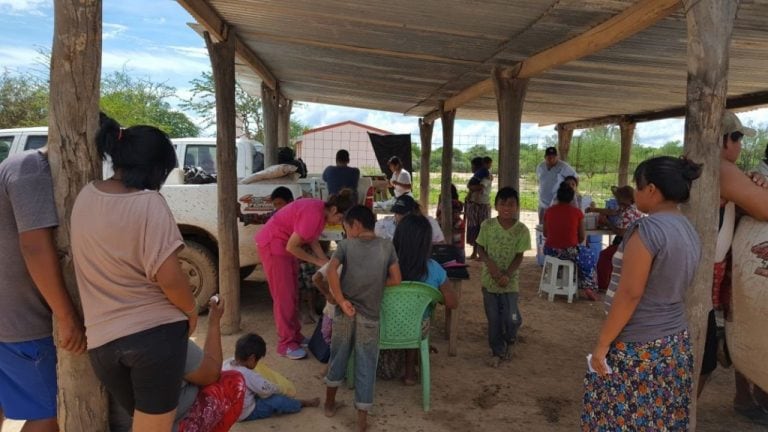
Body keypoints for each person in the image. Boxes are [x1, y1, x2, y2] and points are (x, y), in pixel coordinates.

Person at [71, 114, 198, 431]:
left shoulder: (85, 196)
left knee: (139, 421)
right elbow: (169, 277)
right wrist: (190, 310)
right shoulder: (149, 203)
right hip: (155, 336)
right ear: (156, 169)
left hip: (102, 343)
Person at [582, 156, 703, 431]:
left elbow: (630, 294)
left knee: (618, 418)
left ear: (651, 189)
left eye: (638, 187)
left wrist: (602, 344)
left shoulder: (648, 229)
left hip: (638, 346)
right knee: (661, 419)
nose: (635, 193)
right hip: (675, 343)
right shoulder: (688, 229)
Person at [0, 147, 87, 432]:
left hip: (9, 316)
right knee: (53, 412)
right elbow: (34, 246)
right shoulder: (32, 169)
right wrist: (66, 316)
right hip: (22, 321)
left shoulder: (15, 165)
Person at [698, 111, 768, 424]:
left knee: (704, 357)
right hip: (694, 276)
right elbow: (765, 210)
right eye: (738, 139)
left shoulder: (711, 168)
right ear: (727, 140)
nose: (739, 148)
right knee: (698, 359)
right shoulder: (722, 169)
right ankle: (673, 418)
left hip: (696, 272)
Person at [110, 297, 244, 432]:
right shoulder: (162, 333)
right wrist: (214, 322)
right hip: (167, 424)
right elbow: (211, 373)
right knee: (234, 381)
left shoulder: (111, 331)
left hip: (130, 425)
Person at [324, 205, 402, 432]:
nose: (346, 233)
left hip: (344, 312)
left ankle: (329, 404)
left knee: (338, 355)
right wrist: (377, 285)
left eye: (346, 228)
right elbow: (396, 279)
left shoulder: (346, 246)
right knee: (366, 362)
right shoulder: (387, 246)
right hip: (370, 315)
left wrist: (341, 301)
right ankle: (361, 421)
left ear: (356, 225)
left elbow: (330, 271)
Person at [255, 189, 356, 360]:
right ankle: (286, 344)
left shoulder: (320, 212)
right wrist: (317, 262)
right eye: (339, 218)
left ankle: (295, 336)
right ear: (333, 210)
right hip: (274, 247)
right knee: (284, 297)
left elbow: (312, 238)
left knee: (293, 293)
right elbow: (292, 246)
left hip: (283, 249)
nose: (338, 222)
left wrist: (324, 260)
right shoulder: (314, 215)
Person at [377, 214, 458, 384]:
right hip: (415, 329)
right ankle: (410, 373)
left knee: (398, 318)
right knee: (417, 319)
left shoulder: (383, 264)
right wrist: (436, 297)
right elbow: (452, 303)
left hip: (383, 325)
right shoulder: (435, 269)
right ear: (427, 242)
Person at [476, 187, 531, 367]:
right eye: (502, 204)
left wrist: (507, 274)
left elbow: (519, 255)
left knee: (512, 317)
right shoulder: (487, 226)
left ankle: (511, 337)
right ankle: (497, 350)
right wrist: (491, 266)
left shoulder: (522, 230)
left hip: (510, 281)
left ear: (517, 206)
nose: (506, 208)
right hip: (489, 280)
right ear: (496, 205)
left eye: (511, 204)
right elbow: (480, 248)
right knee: (494, 318)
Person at [222, 333, 320, 421]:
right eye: (257, 360)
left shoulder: (226, 363)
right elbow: (266, 390)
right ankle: (300, 404)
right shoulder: (248, 375)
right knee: (277, 400)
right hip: (244, 413)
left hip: (226, 410)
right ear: (252, 358)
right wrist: (281, 389)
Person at [543, 183, 599, 300]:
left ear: (557, 197)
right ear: (572, 198)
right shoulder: (577, 212)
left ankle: (563, 279)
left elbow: (545, 233)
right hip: (568, 251)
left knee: (577, 256)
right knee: (589, 255)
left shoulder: (549, 211)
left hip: (549, 250)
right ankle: (588, 286)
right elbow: (582, 237)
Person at [590, 185, 645, 291]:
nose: (618, 201)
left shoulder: (628, 213)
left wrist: (607, 223)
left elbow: (621, 232)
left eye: (619, 199)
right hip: (636, 242)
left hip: (627, 244)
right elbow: (613, 211)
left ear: (627, 198)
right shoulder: (632, 207)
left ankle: (603, 286)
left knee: (605, 255)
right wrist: (593, 209)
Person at [374, 194, 445, 244]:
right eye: (396, 212)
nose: (398, 216)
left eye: (402, 213)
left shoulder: (429, 223)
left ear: (414, 211)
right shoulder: (384, 224)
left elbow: (440, 244)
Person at [536, 146, 577, 223]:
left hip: (556, 202)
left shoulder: (563, 166)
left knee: (554, 224)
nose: (551, 159)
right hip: (542, 203)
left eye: (553, 157)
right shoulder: (540, 166)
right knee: (542, 227)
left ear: (557, 157)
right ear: (545, 157)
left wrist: (572, 192)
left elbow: (575, 178)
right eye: (549, 157)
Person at [466, 157, 492, 260]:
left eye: (472, 166)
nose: (471, 168)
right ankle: (474, 252)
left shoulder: (486, 177)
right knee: (475, 228)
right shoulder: (478, 177)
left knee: (482, 229)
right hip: (475, 204)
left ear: (477, 167)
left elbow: (480, 187)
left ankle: (482, 253)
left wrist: (469, 187)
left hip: (482, 205)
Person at [436, 184, 466, 257]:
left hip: (450, 246)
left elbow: (437, 214)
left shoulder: (443, 203)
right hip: (458, 248)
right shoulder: (458, 203)